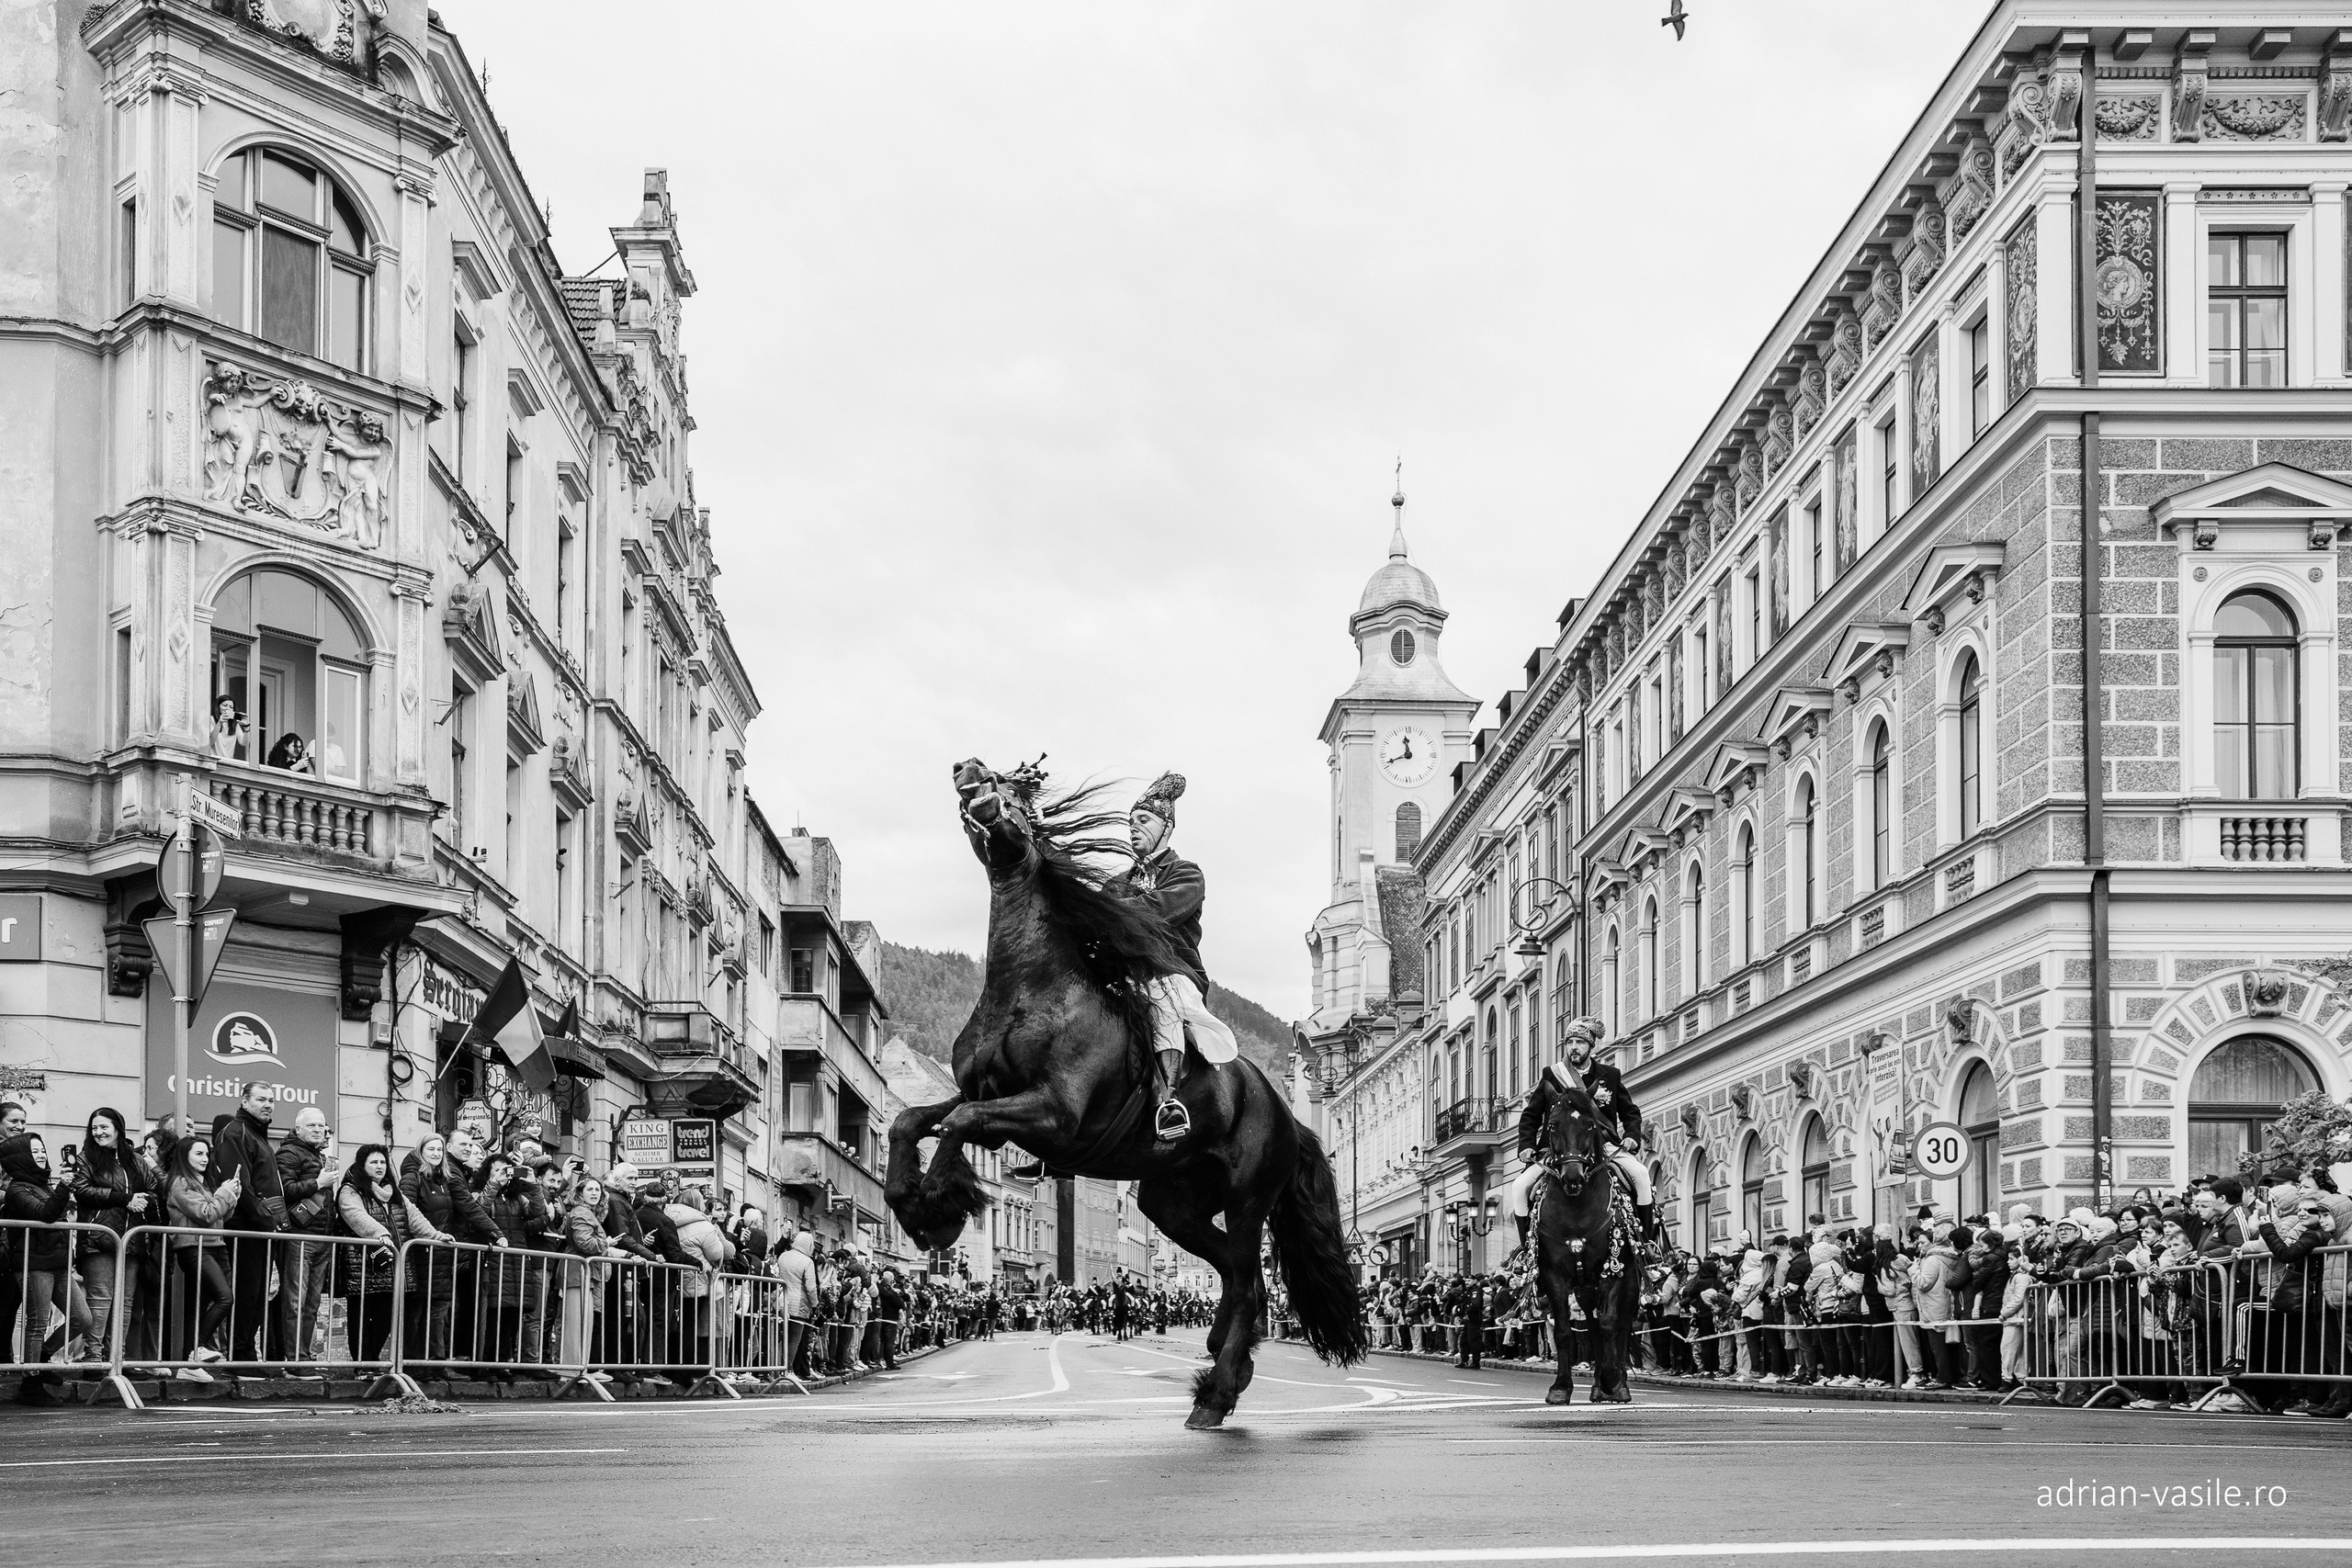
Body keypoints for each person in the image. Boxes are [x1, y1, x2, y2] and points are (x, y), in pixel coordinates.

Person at [1102, 773, 1239, 1141]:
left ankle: (1168, 1102)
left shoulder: (1186, 873)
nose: (1133, 829)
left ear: (1167, 827)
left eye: (1143, 821)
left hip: (1170, 971)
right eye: (1130, 823)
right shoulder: (1115, 883)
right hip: (1121, 975)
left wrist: (1108, 911)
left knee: (1161, 1004)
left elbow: (1159, 909)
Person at [1505, 1016, 1654, 1252]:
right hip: (1558, 1148)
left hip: (1603, 1145)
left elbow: (1630, 1111)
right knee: (1519, 1187)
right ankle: (1527, 1251)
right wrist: (1526, 1145)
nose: (1573, 1047)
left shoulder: (1610, 1075)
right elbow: (1530, 1115)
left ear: (1591, 1046)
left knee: (1642, 1175)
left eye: (1580, 1042)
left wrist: (1632, 1136)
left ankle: (1647, 1244)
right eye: (1569, 1042)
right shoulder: (1552, 1075)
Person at [334, 1145, 447, 1365]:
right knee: (361, 1319)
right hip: (363, 1266)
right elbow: (353, 1214)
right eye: (374, 1162)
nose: (380, 1167)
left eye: (383, 1162)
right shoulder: (351, 1190)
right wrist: (380, 1233)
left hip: (392, 1267)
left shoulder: (394, 1192)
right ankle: (362, 1365)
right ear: (362, 1165)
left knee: (385, 1319)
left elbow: (414, 1216)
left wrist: (435, 1235)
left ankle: (373, 1362)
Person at [209, 1081, 289, 1367]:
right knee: (247, 1295)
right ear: (244, 1101)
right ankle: (241, 1356)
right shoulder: (235, 1133)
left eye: (271, 1099)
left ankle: (246, 1356)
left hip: (261, 1229)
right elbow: (240, 1186)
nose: (267, 1104)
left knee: (257, 1297)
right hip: (246, 1228)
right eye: (260, 1099)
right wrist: (267, 1221)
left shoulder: (257, 1134)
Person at [68, 1107, 153, 1368]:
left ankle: (117, 1357)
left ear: (118, 1127)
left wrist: (142, 1201)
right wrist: (125, 1199)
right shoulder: (86, 1158)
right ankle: (93, 1358)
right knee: (100, 1299)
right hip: (98, 1238)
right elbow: (82, 1190)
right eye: (94, 1127)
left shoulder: (136, 1160)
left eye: (104, 1127)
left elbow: (152, 1188)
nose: (98, 1132)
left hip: (131, 1239)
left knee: (125, 1303)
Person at [2, 1132, 78, 1403]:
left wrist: (64, 1188)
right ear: (22, 1157)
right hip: (33, 1264)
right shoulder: (17, 1189)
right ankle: (31, 1382)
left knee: (82, 1318)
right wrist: (63, 1188)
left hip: (58, 1263)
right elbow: (42, 1215)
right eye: (34, 1151)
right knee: (37, 1322)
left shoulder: (45, 1184)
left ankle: (43, 1356)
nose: (42, 1154)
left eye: (42, 1149)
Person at [161, 1135, 237, 1380]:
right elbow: (206, 1213)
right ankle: (197, 1350)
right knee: (225, 1297)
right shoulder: (180, 1183)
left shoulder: (202, 1182)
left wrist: (231, 1196)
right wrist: (224, 1194)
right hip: (194, 1247)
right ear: (185, 1156)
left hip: (214, 1244)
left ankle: (189, 1364)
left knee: (199, 1306)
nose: (205, 1159)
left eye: (206, 1154)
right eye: (199, 1154)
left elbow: (219, 1215)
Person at [273, 1106, 337, 1374]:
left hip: (323, 1237)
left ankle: (304, 1356)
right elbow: (285, 1190)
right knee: (296, 1300)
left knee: (311, 1303)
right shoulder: (288, 1153)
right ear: (297, 1129)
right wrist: (318, 1182)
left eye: (321, 1126)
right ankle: (294, 1360)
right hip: (300, 1237)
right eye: (311, 1125)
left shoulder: (321, 1157)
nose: (318, 1130)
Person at [209, 695, 250, 761]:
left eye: (231, 707)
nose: (228, 709)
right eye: (224, 705)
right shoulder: (211, 719)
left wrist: (246, 726)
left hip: (228, 762)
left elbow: (244, 743)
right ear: (218, 707)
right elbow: (211, 741)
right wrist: (219, 723)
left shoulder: (234, 724)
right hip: (214, 761)